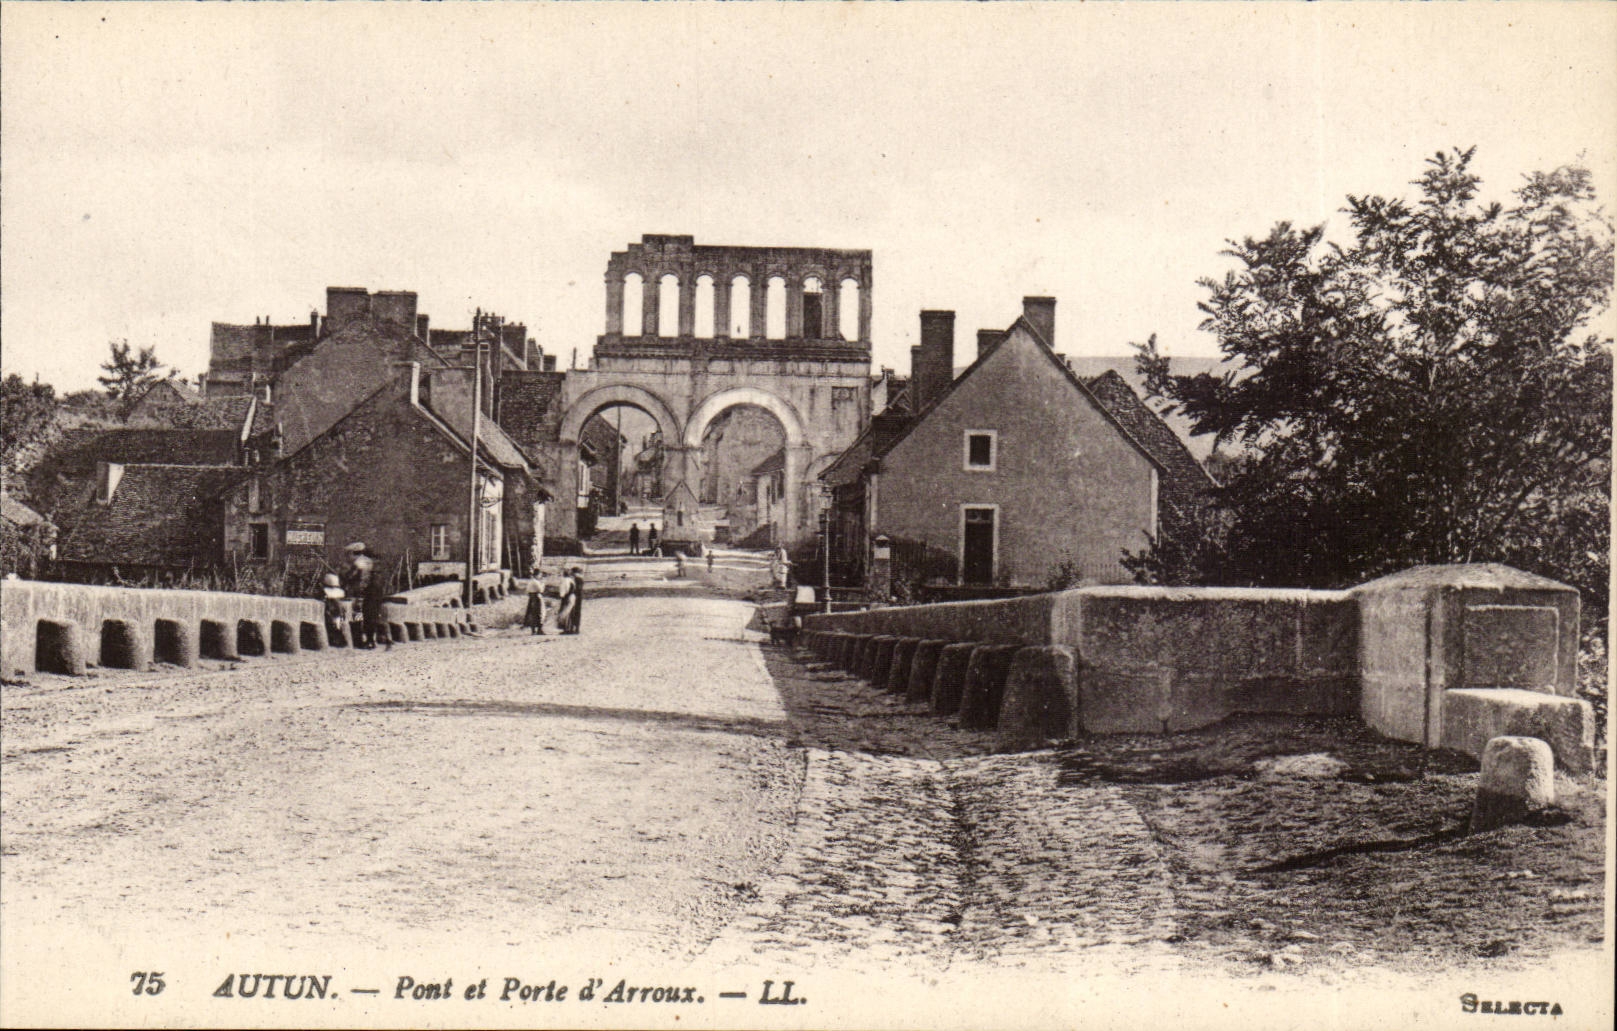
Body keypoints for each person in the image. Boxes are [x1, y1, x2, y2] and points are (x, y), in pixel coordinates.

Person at [340, 543, 374, 648]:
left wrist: (343, 579)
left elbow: (349, 577)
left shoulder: (357, 564)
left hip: (357, 591)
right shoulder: (369, 561)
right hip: (368, 591)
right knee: (367, 615)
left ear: (353, 553)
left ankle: (358, 641)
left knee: (356, 615)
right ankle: (370, 640)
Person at [320, 572, 348, 646]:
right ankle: (340, 640)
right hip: (339, 612)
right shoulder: (339, 593)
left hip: (333, 611)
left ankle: (337, 640)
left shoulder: (326, 592)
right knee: (337, 625)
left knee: (334, 625)